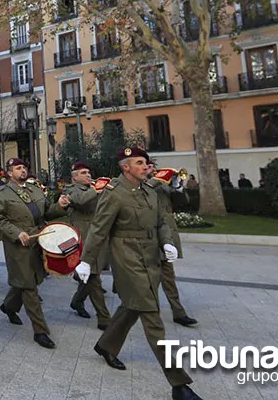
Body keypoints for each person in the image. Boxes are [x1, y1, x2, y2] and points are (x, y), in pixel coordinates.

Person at [74, 147, 201, 400]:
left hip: (151, 256)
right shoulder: (114, 193)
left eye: (146, 162)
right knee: (152, 316)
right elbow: (98, 229)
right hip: (126, 258)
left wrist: (166, 242)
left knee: (132, 306)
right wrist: (86, 261)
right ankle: (179, 384)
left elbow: (162, 221)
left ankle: (106, 345)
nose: (146, 166)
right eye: (139, 163)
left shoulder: (150, 191)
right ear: (126, 167)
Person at [0, 157, 69, 349]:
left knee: (28, 280)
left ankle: (8, 306)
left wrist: (61, 206)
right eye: (18, 168)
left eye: (24, 167)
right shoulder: (1, 193)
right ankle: (40, 331)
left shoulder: (34, 189)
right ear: (9, 173)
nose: (23, 170)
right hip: (18, 245)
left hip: (38, 241)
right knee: (29, 286)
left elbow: (46, 213)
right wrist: (17, 233)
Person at [147, 161, 198, 328]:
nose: (151, 169)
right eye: (147, 167)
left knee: (169, 277)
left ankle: (178, 312)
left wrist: (178, 186)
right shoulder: (140, 183)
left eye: (153, 167)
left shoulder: (162, 186)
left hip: (166, 236)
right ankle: (147, 312)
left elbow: (183, 201)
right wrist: (157, 178)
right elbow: (144, 192)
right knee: (148, 279)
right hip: (148, 237)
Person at [64, 162, 111, 329]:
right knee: (93, 277)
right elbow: (79, 200)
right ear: (75, 176)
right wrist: (96, 189)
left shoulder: (93, 188)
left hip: (97, 236)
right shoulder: (71, 189)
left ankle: (77, 301)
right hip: (83, 238)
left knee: (92, 274)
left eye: (89, 172)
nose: (88, 175)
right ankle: (104, 318)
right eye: (84, 173)